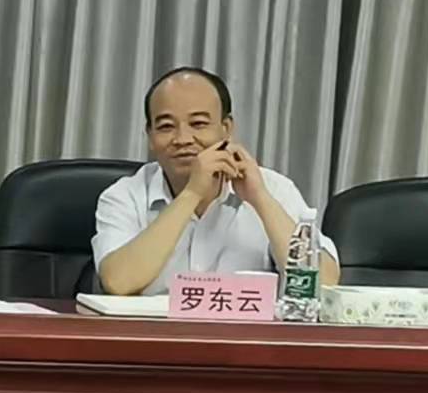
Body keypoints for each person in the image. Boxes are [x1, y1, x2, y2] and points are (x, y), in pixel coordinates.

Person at [93, 66, 342, 295]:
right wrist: (192, 194)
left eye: (198, 124)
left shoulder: (274, 188)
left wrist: (260, 199)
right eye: (166, 126)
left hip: (243, 331)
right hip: (152, 331)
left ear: (226, 128)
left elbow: (325, 284)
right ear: (150, 135)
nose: (183, 139)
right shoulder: (124, 196)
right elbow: (118, 282)